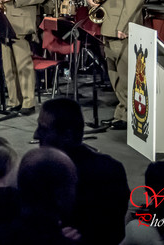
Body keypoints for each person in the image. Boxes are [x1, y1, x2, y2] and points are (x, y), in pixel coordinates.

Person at [34, 98, 129, 245]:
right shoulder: (113, 168)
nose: (36, 135)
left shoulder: (43, 177)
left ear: (67, 135)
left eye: (43, 129)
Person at [88, 0, 148, 130]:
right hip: (108, 25)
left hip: (123, 28)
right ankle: (121, 114)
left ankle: (131, 116)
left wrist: (124, 25)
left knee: (126, 74)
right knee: (113, 74)